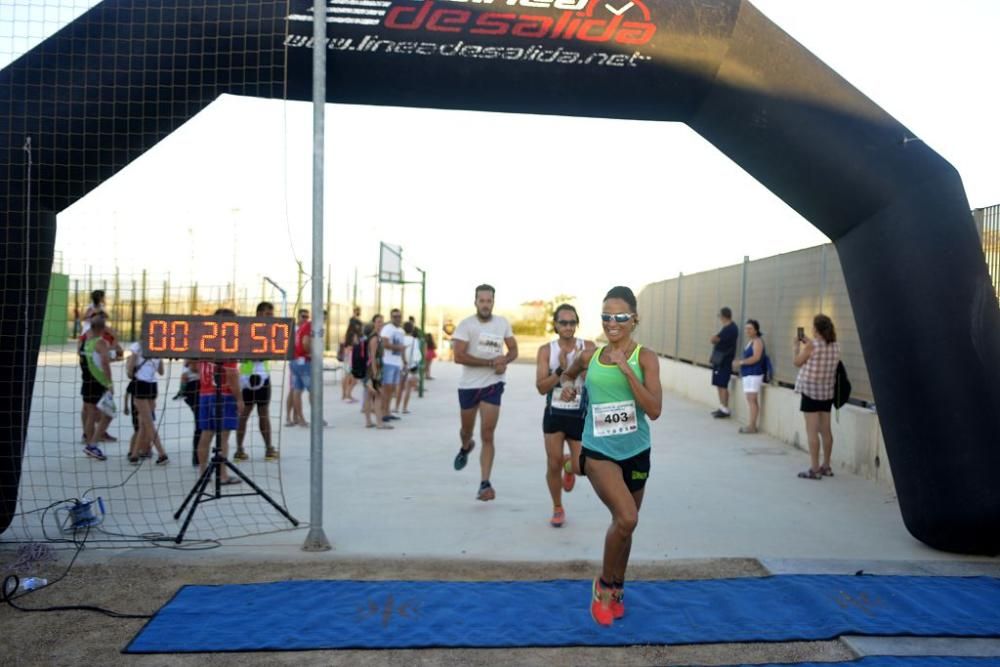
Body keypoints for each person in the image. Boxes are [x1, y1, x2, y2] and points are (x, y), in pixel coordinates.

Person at [559, 286, 662, 626]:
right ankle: (602, 585)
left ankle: (618, 589)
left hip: (636, 451)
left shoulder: (645, 357)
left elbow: (654, 409)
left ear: (634, 319)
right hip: (599, 450)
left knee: (625, 526)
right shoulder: (590, 355)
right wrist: (568, 384)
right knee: (628, 518)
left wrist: (626, 369)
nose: (612, 323)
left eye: (619, 317)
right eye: (606, 317)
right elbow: (567, 374)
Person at [451, 284, 518, 501]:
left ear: (493, 302)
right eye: (482, 301)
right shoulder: (465, 325)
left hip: (493, 385)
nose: (486, 304)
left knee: (488, 434)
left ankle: (484, 483)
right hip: (469, 386)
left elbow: (513, 349)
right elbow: (458, 356)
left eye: (489, 301)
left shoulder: (502, 323)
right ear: (475, 302)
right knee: (466, 431)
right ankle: (465, 446)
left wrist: (504, 361)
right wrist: (490, 362)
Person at [535, 303, 594, 528]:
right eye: (563, 322)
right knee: (552, 464)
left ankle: (570, 465)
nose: (568, 327)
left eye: (572, 322)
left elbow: (593, 379)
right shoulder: (546, 350)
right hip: (554, 413)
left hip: (579, 414)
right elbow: (541, 387)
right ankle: (557, 507)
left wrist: (581, 367)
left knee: (583, 468)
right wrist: (560, 370)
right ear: (556, 325)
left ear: (576, 324)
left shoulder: (587, 346)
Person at [197, 308, 244, 484]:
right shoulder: (227, 345)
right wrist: (239, 398)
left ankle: (202, 471)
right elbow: (231, 375)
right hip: (223, 394)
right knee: (223, 437)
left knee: (206, 434)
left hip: (204, 393)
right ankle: (222, 475)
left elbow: (195, 367)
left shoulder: (205, 343)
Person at [793, 314, 841, 480]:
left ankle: (814, 469)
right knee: (826, 431)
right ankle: (826, 466)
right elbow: (819, 352)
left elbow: (798, 362)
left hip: (810, 391)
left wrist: (796, 346)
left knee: (812, 431)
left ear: (816, 329)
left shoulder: (811, 346)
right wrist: (808, 342)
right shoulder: (835, 345)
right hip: (827, 392)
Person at [236, 302, 278, 462]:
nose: (271, 317)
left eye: (271, 314)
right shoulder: (249, 330)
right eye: (268, 314)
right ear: (259, 313)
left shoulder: (269, 331)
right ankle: (240, 449)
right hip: (248, 377)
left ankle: (268, 448)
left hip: (262, 375)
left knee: (263, 413)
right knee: (245, 414)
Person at [125, 341, 168, 465]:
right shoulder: (159, 345)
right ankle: (134, 454)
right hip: (153, 386)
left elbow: (130, 369)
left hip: (140, 385)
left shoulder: (137, 346)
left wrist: (131, 369)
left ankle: (162, 453)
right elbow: (161, 371)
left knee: (147, 422)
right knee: (143, 423)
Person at [79, 315, 114, 461]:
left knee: (90, 413)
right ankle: (93, 444)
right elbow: (105, 363)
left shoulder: (86, 342)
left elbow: (85, 359)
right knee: (108, 414)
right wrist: (110, 383)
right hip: (98, 382)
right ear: (102, 328)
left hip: (86, 381)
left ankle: (90, 444)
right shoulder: (101, 343)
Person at [734, 319, 766, 434]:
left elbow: (756, 358)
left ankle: (752, 426)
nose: (747, 330)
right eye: (746, 328)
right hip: (748, 374)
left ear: (756, 330)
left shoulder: (757, 341)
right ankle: (751, 424)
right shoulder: (751, 341)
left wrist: (741, 362)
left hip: (754, 373)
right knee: (750, 399)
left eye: (750, 328)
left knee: (752, 399)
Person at [709, 307, 739, 418]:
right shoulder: (726, 328)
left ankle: (725, 408)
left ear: (724, 316)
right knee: (719, 383)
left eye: (720, 316)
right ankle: (722, 406)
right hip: (719, 360)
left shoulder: (731, 328)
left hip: (725, 360)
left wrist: (714, 338)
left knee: (723, 384)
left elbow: (716, 339)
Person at [363, 316, 392, 430]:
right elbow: (373, 357)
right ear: (374, 323)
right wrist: (375, 374)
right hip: (374, 369)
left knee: (370, 395)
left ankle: (369, 421)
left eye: (382, 322)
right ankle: (379, 423)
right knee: (378, 395)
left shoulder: (377, 337)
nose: (381, 324)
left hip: (375, 368)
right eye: (379, 322)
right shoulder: (374, 338)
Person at [379, 309, 407, 422]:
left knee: (392, 390)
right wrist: (398, 348)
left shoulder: (401, 330)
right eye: (395, 316)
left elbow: (402, 346)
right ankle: (383, 412)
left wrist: (404, 361)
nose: (397, 318)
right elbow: (384, 344)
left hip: (397, 363)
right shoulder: (387, 328)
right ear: (391, 317)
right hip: (388, 362)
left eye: (399, 316)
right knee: (387, 389)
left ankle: (388, 411)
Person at [287, 308, 312, 427]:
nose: (305, 319)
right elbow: (305, 343)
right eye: (303, 316)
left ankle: (297, 417)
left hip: (296, 361)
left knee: (297, 390)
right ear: (298, 316)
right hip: (299, 360)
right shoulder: (298, 329)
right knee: (308, 390)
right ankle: (290, 416)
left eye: (307, 316)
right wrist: (310, 353)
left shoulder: (301, 328)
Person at [396, 320, 423, 414]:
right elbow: (417, 354)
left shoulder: (401, 339)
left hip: (401, 365)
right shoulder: (415, 340)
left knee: (399, 387)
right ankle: (404, 408)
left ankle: (396, 407)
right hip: (411, 366)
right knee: (408, 389)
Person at [341, 320, 362, 403]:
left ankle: (345, 394)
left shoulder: (347, 335)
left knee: (346, 377)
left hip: (347, 357)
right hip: (352, 357)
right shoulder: (354, 335)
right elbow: (354, 346)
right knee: (354, 378)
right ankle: (348, 394)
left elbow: (344, 346)